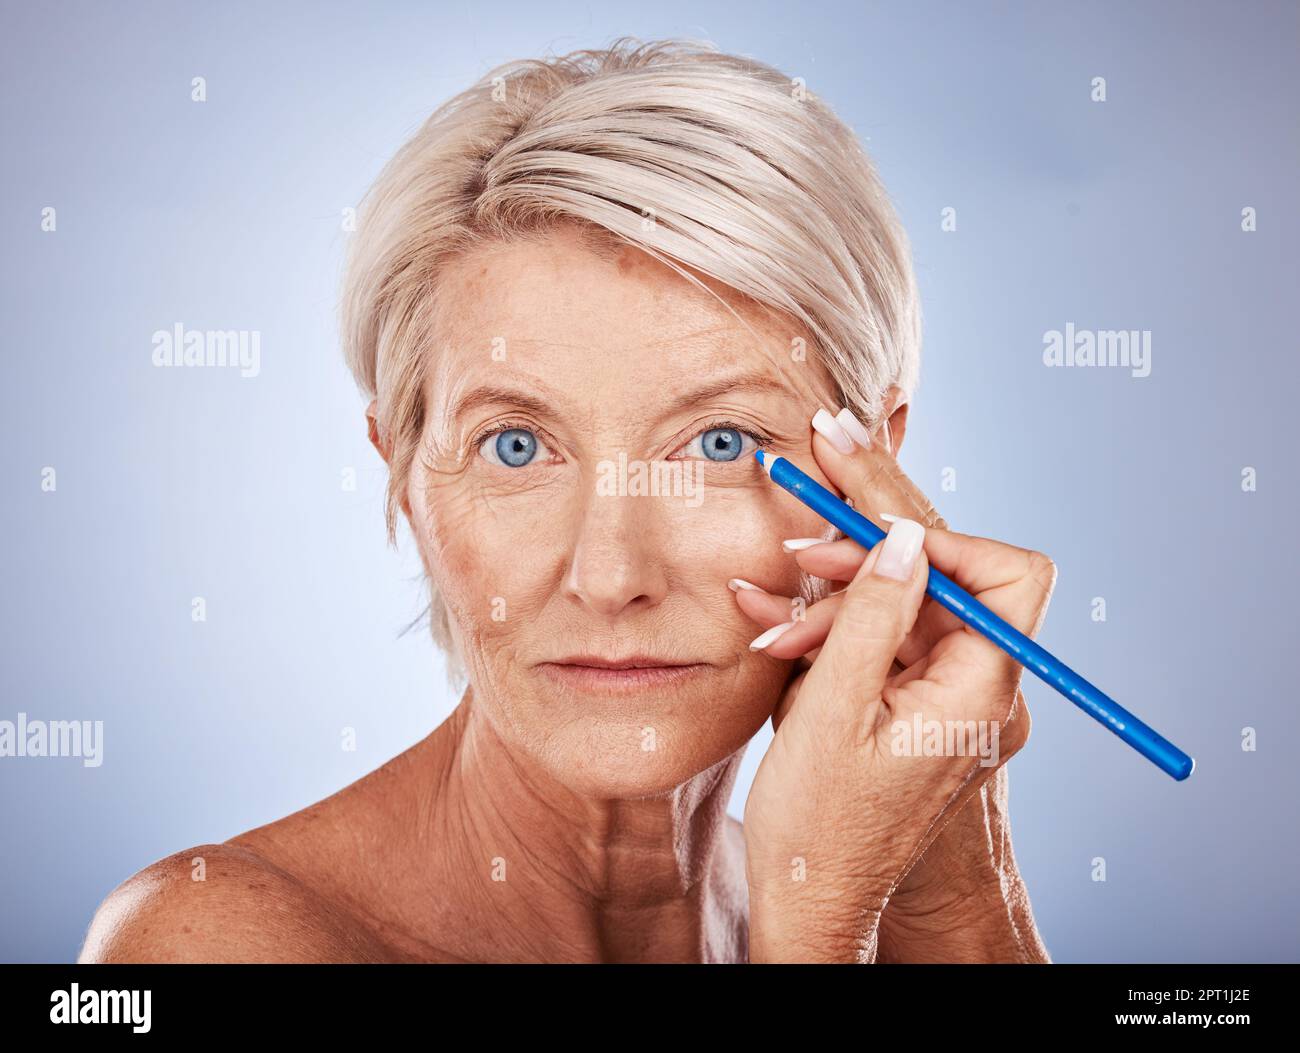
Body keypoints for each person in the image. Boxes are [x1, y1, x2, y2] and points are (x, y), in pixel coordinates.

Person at [79, 37, 1053, 964]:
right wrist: (820, 925)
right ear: (403, 480)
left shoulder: (854, 892)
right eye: (516, 447)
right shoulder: (210, 939)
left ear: (874, 477)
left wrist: (957, 887)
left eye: (718, 444)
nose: (610, 576)